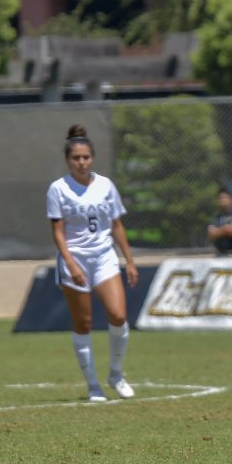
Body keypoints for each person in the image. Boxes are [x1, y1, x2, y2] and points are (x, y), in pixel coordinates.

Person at [47, 124, 138, 402]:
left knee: (118, 315)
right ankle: (93, 386)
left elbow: (117, 225)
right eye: (76, 158)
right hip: (75, 259)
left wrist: (129, 261)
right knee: (83, 323)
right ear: (68, 160)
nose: (82, 162)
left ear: (92, 158)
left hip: (104, 256)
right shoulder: (58, 189)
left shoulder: (105, 185)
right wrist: (72, 265)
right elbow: (58, 232)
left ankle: (116, 374)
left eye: (86, 157)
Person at [207, 187, 232, 256]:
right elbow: (211, 234)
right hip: (220, 254)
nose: (223, 200)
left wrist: (219, 231)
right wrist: (226, 229)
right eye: (220, 198)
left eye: (225, 197)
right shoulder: (216, 217)